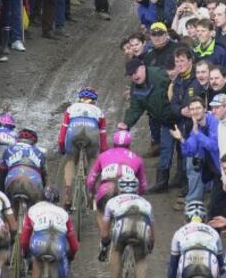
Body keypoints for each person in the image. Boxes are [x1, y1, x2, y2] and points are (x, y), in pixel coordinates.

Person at [118, 58, 176, 193]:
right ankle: (162, 182)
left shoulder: (160, 76)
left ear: (143, 67)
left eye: (135, 72)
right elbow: (135, 108)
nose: (134, 76)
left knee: (184, 151)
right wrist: (126, 123)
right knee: (166, 148)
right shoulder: (135, 88)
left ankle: (181, 179)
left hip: (179, 117)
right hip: (166, 121)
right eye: (131, 74)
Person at [99, 171, 153, 278]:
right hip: (141, 230)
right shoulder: (146, 204)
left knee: (116, 251)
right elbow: (152, 229)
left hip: (121, 229)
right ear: (136, 188)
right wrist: (150, 244)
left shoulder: (112, 202)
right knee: (141, 258)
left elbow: (105, 229)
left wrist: (105, 244)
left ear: (120, 188)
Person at [87, 130, 147, 234]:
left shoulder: (103, 156)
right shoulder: (137, 159)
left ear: (114, 143)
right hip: (127, 191)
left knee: (98, 208)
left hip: (106, 189)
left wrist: (93, 193)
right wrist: (138, 196)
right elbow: (143, 186)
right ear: (129, 144)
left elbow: (91, 180)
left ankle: (104, 238)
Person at [58, 88, 107, 209]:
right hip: (92, 135)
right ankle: (91, 193)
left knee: (70, 159)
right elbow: (103, 138)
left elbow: (62, 134)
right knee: (92, 159)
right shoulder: (99, 112)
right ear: (94, 101)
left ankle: (68, 195)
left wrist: (62, 148)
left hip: (73, 134)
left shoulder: (71, 109)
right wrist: (103, 153)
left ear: (80, 99)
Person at [1, 128, 47, 206]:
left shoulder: (9, 149)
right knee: (36, 206)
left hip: (12, 178)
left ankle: (0, 195)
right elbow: (44, 173)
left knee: (9, 206)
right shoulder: (39, 152)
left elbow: (2, 169)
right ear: (34, 141)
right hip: (34, 180)